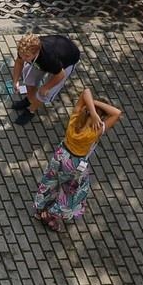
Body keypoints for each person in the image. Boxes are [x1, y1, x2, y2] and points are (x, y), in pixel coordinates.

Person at [34, 89, 122, 231]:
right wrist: (96, 112)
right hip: (74, 164)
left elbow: (86, 91)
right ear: (102, 117)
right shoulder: (96, 129)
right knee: (70, 192)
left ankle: (40, 208)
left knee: (50, 181)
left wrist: (91, 107)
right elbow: (117, 113)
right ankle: (51, 214)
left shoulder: (76, 117)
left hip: (60, 154)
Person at [10, 34, 81, 125]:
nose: (23, 58)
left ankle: (31, 110)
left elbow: (60, 75)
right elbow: (19, 62)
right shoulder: (25, 49)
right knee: (29, 77)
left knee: (45, 94)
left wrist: (46, 87)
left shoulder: (48, 58)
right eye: (21, 55)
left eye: (26, 56)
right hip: (50, 58)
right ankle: (30, 99)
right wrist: (15, 81)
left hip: (66, 63)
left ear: (36, 53)